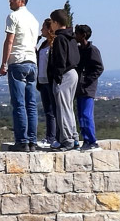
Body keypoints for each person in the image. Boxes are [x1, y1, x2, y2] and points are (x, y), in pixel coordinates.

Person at [0, 0, 40, 152]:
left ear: (21, 1)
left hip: (18, 60)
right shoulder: (34, 19)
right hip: (32, 62)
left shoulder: (13, 17)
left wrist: (4, 63)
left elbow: (9, 41)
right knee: (31, 104)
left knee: (19, 103)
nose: (10, 1)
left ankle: (22, 141)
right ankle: (32, 140)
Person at [47, 9, 80, 151]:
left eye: (52, 22)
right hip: (73, 72)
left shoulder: (60, 38)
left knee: (62, 109)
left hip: (65, 74)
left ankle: (67, 140)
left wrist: (57, 76)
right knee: (68, 107)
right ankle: (74, 137)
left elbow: (60, 59)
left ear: (55, 22)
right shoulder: (71, 37)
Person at [75, 24, 105, 151]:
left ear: (83, 35)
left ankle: (92, 141)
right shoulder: (79, 49)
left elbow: (99, 68)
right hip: (79, 87)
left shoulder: (93, 50)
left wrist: (86, 79)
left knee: (86, 114)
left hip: (88, 87)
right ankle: (86, 140)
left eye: (77, 33)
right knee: (81, 115)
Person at [36, 19, 58, 149]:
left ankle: (52, 137)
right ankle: (50, 136)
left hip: (50, 80)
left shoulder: (54, 44)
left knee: (53, 111)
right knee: (47, 111)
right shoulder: (43, 44)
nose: (41, 30)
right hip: (42, 80)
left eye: (43, 28)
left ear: (49, 29)